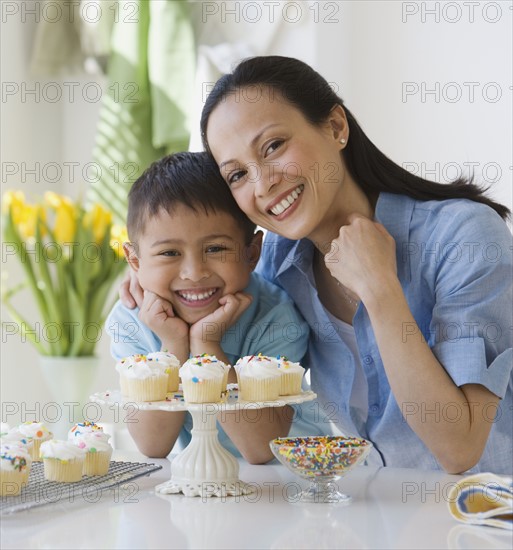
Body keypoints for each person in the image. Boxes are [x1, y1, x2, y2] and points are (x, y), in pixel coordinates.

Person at [121, 57, 512, 475]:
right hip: (372, 518)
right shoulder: (276, 263)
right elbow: (210, 292)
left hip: (482, 524)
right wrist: (150, 273)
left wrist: (380, 290)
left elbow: (459, 447)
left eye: (273, 147)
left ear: (336, 127)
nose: (263, 183)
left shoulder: (463, 237)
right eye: (236, 174)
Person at [107, 151, 324, 463]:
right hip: (207, 483)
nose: (194, 272)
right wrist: (172, 345)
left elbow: (261, 449)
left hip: (292, 476)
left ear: (252, 254)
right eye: (169, 253)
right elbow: (153, 445)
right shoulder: (131, 321)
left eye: (215, 248)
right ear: (136, 262)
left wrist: (207, 346)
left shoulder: (274, 317)